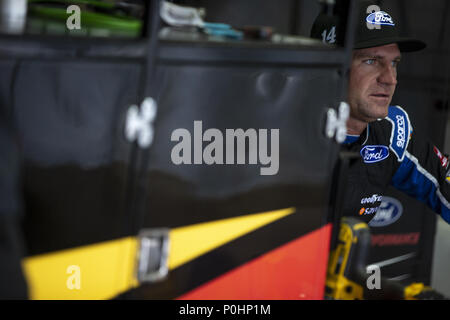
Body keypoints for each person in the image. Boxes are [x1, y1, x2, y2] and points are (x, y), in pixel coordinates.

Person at [311, 1, 450, 225]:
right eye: (371, 61)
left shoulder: (392, 130)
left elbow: (443, 182)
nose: (390, 79)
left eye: (394, 63)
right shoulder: (277, 131)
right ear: (329, 65)